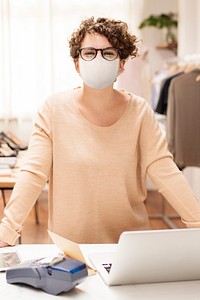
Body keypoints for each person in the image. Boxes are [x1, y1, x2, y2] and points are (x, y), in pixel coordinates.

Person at [1, 17, 200, 248]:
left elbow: (165, 171)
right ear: (76, 63)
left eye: (108, 53)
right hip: (70, 250)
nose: (98, 58)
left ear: (122, 63)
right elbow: (34, 173)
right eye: (89, 53)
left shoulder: (140, 112)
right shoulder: (53, 109)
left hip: (128, 248)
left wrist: (197, 222)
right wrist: (7, 231)